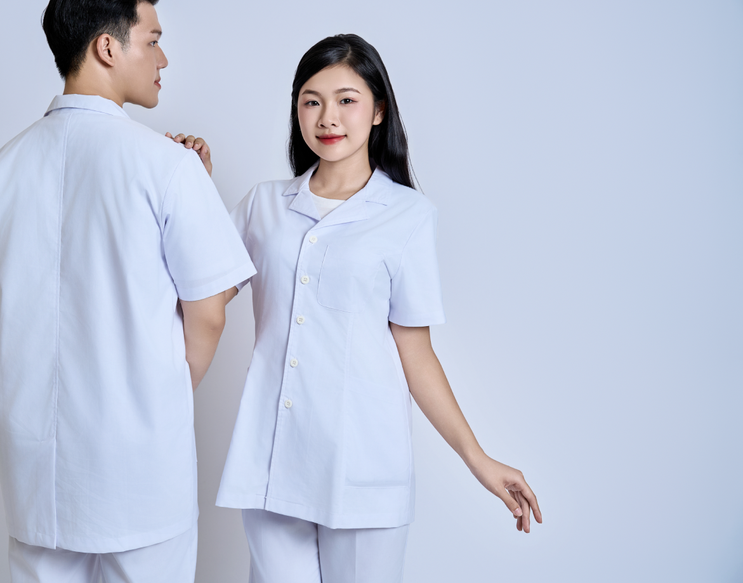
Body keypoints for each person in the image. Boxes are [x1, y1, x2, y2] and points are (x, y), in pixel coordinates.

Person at [215, 34, 542, 583]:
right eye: (311, 101)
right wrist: (189, 186)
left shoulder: (408, 215)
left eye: (347, 100)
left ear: (378, 110)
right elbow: (200, 292)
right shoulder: (262, 206)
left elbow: (416, 352)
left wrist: (478, 458)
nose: (327, 117)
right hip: (272, 459)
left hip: (363, 464)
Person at [0, 0, 255, 583]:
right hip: (139, 468)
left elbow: (1, 310)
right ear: (107, 46)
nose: (162, 58)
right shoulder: (166, 166)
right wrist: (158, 394)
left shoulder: (0, 169)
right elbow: (208, 311)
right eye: (152, 40)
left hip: (35, 471)